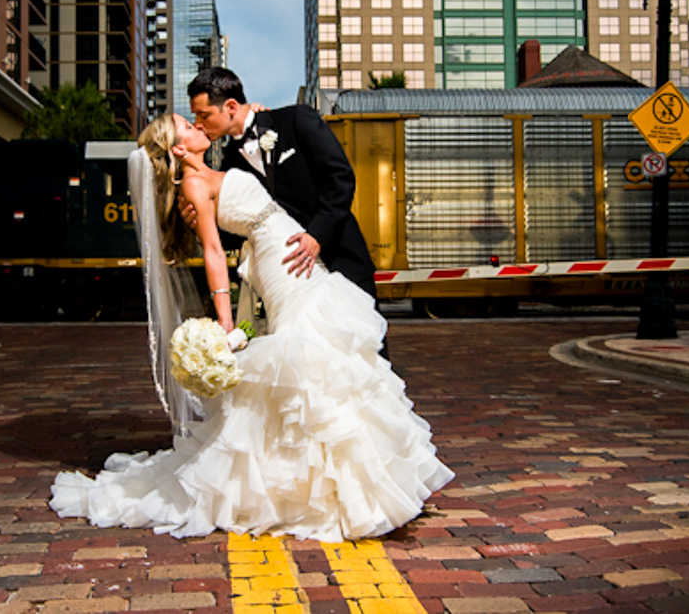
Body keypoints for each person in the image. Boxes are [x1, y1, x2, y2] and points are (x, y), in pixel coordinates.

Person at [48, 115, 452, 542]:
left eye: (195, 117)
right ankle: (340, 493)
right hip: (278, 265)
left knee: (330, 357)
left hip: (292, 251)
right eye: (186, 125)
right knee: (314, 356)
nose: (195, 124)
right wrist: (225, 322)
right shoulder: (193, 187)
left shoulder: (217, 170)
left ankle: (355, 485)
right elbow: (213, 252)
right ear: (178, 149)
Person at [187, 68, 378, 298]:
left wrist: (317, 235)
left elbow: (340, 178)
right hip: (289, 282)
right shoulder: (229, 166)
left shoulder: (296, 119)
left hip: (341, 259)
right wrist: (199, 221)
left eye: (203, 115)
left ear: (230, 107)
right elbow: (236, 233)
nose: (198, 124)